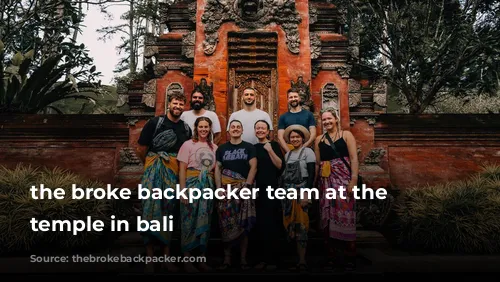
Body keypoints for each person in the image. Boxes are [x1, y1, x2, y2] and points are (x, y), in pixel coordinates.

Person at [135, 92, 192, 273]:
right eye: (175, 103)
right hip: (153, 173)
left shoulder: (185, 128)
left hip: (174, 175)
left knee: (169, 213)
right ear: (169, 104)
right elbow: (141, 149)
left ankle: (167, 259)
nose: (178, 107)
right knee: (150, 212)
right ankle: (150, 261)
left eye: (181, 104)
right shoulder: (155, 123)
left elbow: (186, 154)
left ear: (184, 107)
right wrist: (153, 164)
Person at [314, 107, 358, 271]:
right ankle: (331, 256)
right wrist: (314, 185)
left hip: (344, 180)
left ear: (336, 119)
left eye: (329, 119)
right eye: (324, 120)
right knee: (328, 217)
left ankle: (349, 256)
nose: (326, 122)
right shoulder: (319, 139)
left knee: (345, 214)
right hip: (326, 182)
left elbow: (353, 158)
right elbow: (318, 164)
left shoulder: (346, 135)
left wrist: (353, 180)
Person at [215, 119, 257, 271]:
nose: (235, 129)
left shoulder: (249, 147)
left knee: (243, 224)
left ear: (242, 130)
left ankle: (243, 259)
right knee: (225, 223)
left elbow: (254, 167)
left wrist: (247, 186)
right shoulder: (222, 149)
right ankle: (227, 258)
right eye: (233, 127)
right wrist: (219, 188)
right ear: (228, 130)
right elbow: (218, 169)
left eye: (238, 127)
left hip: (243, 188)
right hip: (226, 190)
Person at [177, 116, 218, 273]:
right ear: (196, 128)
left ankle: (201, 260)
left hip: (207, 187)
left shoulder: (214, 147)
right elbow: (182, 169)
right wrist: (182, 190)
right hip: (191, 185)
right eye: (200, 126)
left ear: (209, 129)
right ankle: (187, 261)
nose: (203, 129)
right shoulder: (188, 145)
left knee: (204, 222)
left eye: (206, 127)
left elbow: (215, 170)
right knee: (188, 222)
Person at [281, 125, 316, 271]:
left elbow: (312, 173)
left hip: (302, 191)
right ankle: (292, 259)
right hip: (288, 193)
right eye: (292, 137)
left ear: (302, 138)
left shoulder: (308, 152)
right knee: (290, 224)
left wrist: (307, 194)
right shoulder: (287, 155)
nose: (294, 139)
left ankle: (302, 260)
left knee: (302, 225)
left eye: (297, 137)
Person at [252, 119, 285, 271]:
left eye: (262, 128)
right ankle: (262, 259)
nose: (260, 131)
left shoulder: (274, 145)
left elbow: (280, 166)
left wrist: (269, 150)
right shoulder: (252, 148)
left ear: (268, 131)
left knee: (273, 223)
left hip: (272, 188)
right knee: (260, 224)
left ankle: (274, 260)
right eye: (257, 128)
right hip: (257, 190)